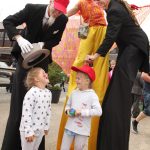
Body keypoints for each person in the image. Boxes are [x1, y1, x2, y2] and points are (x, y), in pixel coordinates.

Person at [2, 0, 69, 150]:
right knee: (19, 103)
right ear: (51, 2)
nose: (57, 13)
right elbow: (8, 21)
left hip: (42, 58)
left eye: (61, 11)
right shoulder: (32, 9)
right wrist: (18, 38)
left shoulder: (63, 19)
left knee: (40, 103)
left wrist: (43, 45)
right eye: (56, 9)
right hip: (24, 58)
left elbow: (56, 39)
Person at [86, 0, 149, 150]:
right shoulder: (114, 7)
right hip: (129, 48)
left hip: (134, 48)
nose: (97, 2)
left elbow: (111, 36)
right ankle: (112, 139)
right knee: (115, 92)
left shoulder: (114, 9)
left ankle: (114, 142)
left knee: (118, 94)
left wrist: (96, 55)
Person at [57, 0, 109, 149]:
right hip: (89, 30)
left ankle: (97, 84)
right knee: (81, 58)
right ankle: (75, 83)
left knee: (100, 58)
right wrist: (59, 18)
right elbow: (69, 12)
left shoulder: (99, 1)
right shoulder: (81, 3)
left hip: (101, 29)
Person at [61, 64, 102, 150]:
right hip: (69, 127)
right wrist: (69, 112)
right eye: (76, 78)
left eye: (79, 78)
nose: (76, 80)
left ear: (87, 81)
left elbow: (99, 111)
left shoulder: (92, 95)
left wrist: (82, 112)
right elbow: (67, 107)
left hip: (82, 131)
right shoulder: (74, 93)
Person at [19, 67, 51, 150]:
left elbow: (48, 111)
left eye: (46, 73)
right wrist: (28, 131)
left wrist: (46, 126)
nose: (46, 74)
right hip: (29, 130)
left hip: (40, 129)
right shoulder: (32, 93)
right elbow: (26, 113)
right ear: (36, 79)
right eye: (43, 73)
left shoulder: (48, 93)